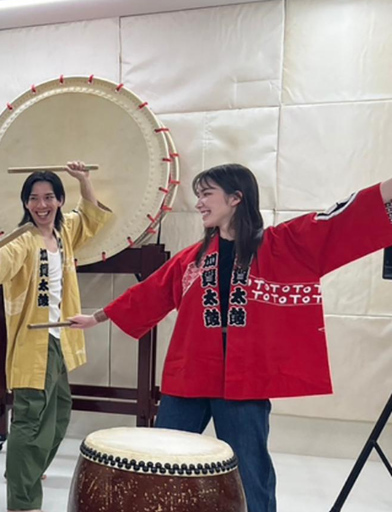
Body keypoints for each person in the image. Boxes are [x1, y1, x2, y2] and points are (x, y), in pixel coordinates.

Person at [69, 163, 392, 512]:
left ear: (236, 197)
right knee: (162, 456)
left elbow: (339, 218)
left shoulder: (283, 245)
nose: (199, 203)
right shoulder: (192, 259)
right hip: (189, 373)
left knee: (250, 470)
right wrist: (95, 318)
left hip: (245, 378)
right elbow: (150, 293)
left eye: (206, 194)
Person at [0, 163, 112, 512]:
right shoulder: (24, 238)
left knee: (60, 413)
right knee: (31, 420)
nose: (41, 204)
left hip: (61, 339)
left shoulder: (64, 232)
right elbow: (3, 253)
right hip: (34, 341)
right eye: (33, 199)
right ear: (26, 204)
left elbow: (90, 215)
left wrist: (84, 180)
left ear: (60, 201)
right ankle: (23, 500)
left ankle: (27, 470)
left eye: (49, 197)